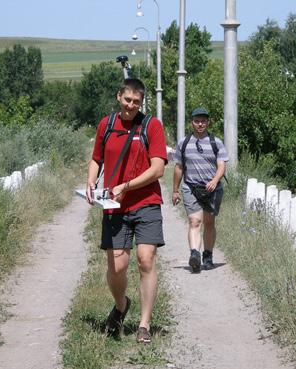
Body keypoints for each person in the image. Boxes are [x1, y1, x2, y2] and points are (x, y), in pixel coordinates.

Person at [86, 78, 167, 343]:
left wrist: (127, 186)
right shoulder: (106, 125)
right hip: (114, 206)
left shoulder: (151, 126)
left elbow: (158, 169)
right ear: (119, 96)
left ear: (141, 102)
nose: (131, 105)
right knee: (117, 268)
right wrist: (90, 181)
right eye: (127, 100)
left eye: (136, 102)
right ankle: (121, 306)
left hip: (146, 203)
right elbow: (96, 158)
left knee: (146, 259)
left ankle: (144, 324)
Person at [172, 107, 228, 273]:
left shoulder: (216, 142)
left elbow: (222, 165)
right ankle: (194, 255)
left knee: (209, 223)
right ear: (192, 122)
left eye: (203, 121)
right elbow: (179, 168)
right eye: (197, 121)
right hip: (191, 187)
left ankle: (208, 256)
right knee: (195, 221)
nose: (200, 124)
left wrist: (215, 180)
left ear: (208, 122)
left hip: (212, 188)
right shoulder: (184, 143)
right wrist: (175, 190)